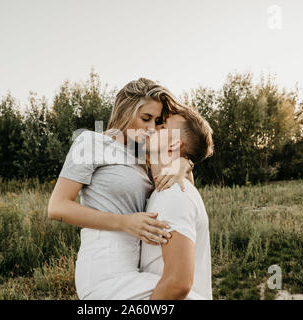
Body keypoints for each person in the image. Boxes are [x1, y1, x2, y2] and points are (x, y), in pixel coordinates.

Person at [48, 78, 195, 299]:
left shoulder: (145, 156)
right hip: (103, 267)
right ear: (125, 111)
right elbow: (57, 207)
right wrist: (124, 222)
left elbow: (185, 193)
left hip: (137, 266)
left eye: (157, 121)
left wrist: (184, 164)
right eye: (145, 118)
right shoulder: (90, 143)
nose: (151, 128)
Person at [140, 106, 214, 300]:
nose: (151, 127)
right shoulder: (165, 190)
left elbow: (178, 284)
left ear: (173, 145)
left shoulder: (173, 194)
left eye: (161, 125)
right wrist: (185, 163)